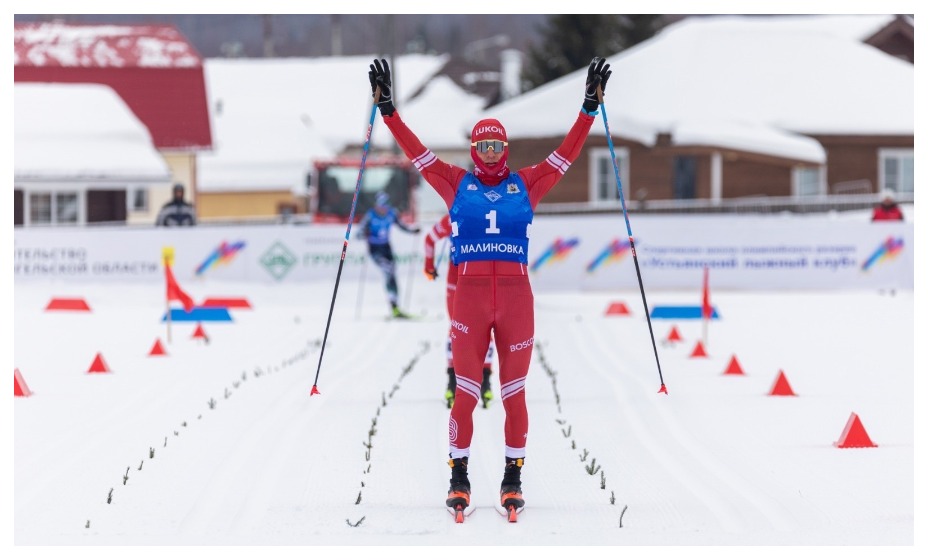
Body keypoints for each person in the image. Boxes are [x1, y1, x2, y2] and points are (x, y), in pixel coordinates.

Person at [369, 55, 611, 514]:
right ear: (473, 150)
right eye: (484, 147)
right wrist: (388, 112)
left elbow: (567, 153)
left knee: (514, 395)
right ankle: (458, 477)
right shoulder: (455, 183)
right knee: (465, 393)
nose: (492, 154)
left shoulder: (528, 184)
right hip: (471, 301)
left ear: (506, 149)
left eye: (498, 146)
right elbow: (416, 152)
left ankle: (512, 479)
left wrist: (588, 109)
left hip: (517, 301)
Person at [424, 214, 496, 410]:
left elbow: (429, 240)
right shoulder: (455, 216)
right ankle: (456, 382)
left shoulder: (466, 214)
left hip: (474, 281)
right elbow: (429, 239)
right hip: (464, 281)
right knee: (461, 329)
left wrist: (429, 266)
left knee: (473, 329)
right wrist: (429, 266)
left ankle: (482, 381)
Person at [357, 191, 421, 318]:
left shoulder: (392, 213)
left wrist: (413, 231)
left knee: (392, 273)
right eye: (381, 207)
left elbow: (402, 226)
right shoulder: (370, 215)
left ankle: (395, 305)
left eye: (386, 207)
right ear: (376, 205)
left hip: (387, 248)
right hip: (375, 249)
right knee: (388, 270)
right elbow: (358, 234)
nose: (384, 210)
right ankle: (394, 306)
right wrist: (365, 233)